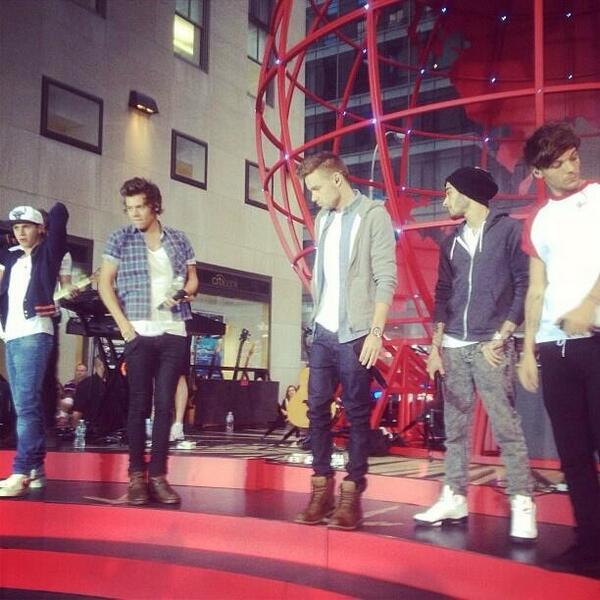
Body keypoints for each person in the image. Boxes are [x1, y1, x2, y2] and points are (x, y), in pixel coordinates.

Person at [412, 167, 537, 541]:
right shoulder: (450, 243)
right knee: (455, 431)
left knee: (506, 426)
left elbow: (523, 284)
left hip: (490, 346)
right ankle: (454, 496)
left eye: (449, 192)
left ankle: (522, 501)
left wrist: (503, 334)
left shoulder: (509, 231)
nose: (444, 200)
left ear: (468, 193)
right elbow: (442, 294)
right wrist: (436, 347)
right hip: (453, 346)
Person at [294, 151, 397, 530]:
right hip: (323, 330)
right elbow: (322, 276)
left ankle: (351, 494)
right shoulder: (323, 219)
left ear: (337, 179)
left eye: (316, 188)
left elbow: (385, 278)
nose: (313, 197)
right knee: (316, 409)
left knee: (356, 413)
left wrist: (375, 332)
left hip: (355, 332)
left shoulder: (373, 216)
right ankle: (321, 489)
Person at [518, 122, 600, 570]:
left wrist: (589, 304)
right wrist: (528, 349)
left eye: (574, 158)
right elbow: (536, 288)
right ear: (539, 171)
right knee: (573, 455)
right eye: (561, 162)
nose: (572, 167)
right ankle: (590, 543)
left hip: (596, 340)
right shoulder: (538, 219)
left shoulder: (598, 197)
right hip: (555, 348)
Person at [98, 177, 198, 505]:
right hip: (138, 329)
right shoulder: (120, 238)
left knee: (165, 403)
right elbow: (104, 284)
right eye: (130, 208)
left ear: (154, 205)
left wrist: (184, 292)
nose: (135, 213)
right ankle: (136, 477)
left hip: (173, 329)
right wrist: (124, 326)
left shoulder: (179, 238)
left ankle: (158, 475)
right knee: (138, 403)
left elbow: (193, 280)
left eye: (140, 207)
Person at [0, 203, 69, 497]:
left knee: (26, 405)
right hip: (11, 335)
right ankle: (36, 470)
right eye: (16, 228)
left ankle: (20, 471)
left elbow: (60, 213)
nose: (20, 232)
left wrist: (44, 223)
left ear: (40, 228)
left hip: (35, 333)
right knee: (26, 405)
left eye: (26, 226)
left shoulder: (48, 254)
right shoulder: (10, 256)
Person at [72, 357, 106, 433]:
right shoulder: (85, 385)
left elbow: (77, 413)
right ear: (101, 365)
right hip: (92, 429)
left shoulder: (85, 384)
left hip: (95, 429)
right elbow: (77, 412)